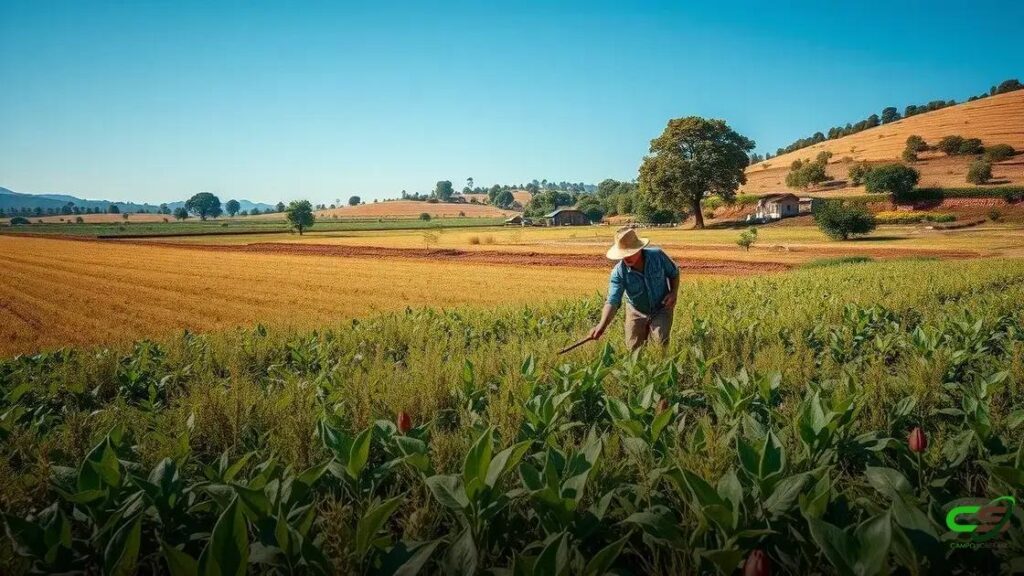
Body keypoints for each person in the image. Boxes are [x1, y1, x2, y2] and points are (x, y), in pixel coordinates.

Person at [588, 227, 680, 350]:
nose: (626, 257)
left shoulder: (657, 256)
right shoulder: (619, 273)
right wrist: (602, 325)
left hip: (661, 307)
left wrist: (673, 292)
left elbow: (674, 273)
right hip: (636, 310)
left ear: (639, 249)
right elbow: (612, 301)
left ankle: (660, 366)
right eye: (623, 254)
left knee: (660, 342)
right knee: (633, 348)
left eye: (630, 252)